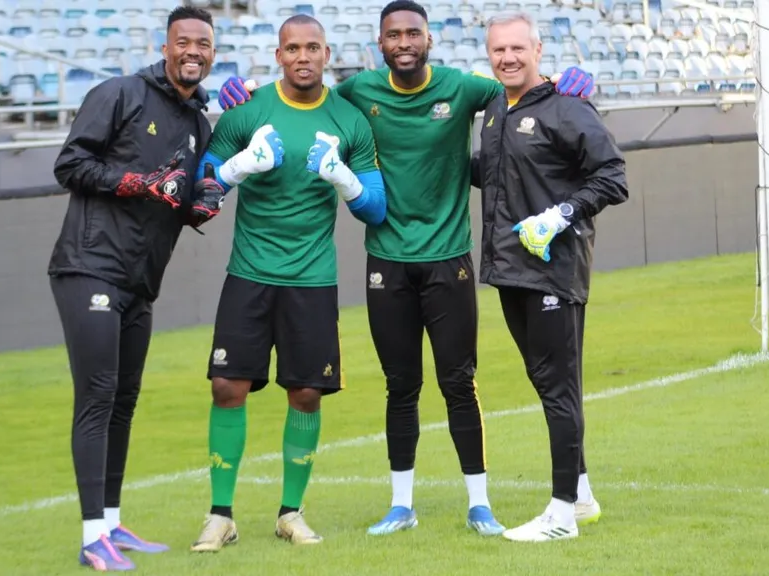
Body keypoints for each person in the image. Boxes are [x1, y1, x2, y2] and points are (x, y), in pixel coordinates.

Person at [215, 0, 594, 538]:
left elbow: (522, 86)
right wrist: (244, 95)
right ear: (380, 44)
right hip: (386, 262)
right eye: (393, 35)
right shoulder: (357, 93)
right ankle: (401, 505)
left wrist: (566, 79)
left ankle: (479, 503)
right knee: (401, 387)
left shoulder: (465, 89)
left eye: (413, 33)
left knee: (459, 383)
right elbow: (302, 98)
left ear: (428, 40)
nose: (404, 42)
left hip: (450, 259)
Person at [187, 14, 387, 553]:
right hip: (249, 273)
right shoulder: (246, 111)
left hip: (312, 279)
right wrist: (237, 167)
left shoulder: (349, 121)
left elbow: (376, 207)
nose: (303, 56)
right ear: (278, 55)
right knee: (227, 387)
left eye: (313, 47)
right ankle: (220, 515)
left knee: (306, 392)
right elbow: (201, 186)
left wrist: (343, 179)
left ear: (327, 54)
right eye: (292, 48)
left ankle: (290, 513)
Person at [48, 6, 223, 571]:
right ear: (166, 46)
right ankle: (90, 536)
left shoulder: (199, 123)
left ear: (213, 53)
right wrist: (132, 182)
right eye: (184, 42)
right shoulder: (120, 93)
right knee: (98, 397)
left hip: (140, 281)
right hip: (90, 267)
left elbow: (178, 203)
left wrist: (208, 200)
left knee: (123, 401)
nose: (194, 51)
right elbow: (70, 164)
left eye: (204, 44)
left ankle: (113, 524)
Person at [470, 11, 628, 542]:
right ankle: (580, 496)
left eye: (517, 48)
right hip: (510, 270)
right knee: (546, 383)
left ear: (538, 50)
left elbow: (613, 176)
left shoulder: (568, 105)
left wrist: (562, 214)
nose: (508, 58)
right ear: (488, 55)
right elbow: (491, 174)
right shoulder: (493, 110)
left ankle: (561, 516)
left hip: (554, 271)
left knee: (559, 390)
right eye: (498, 50)